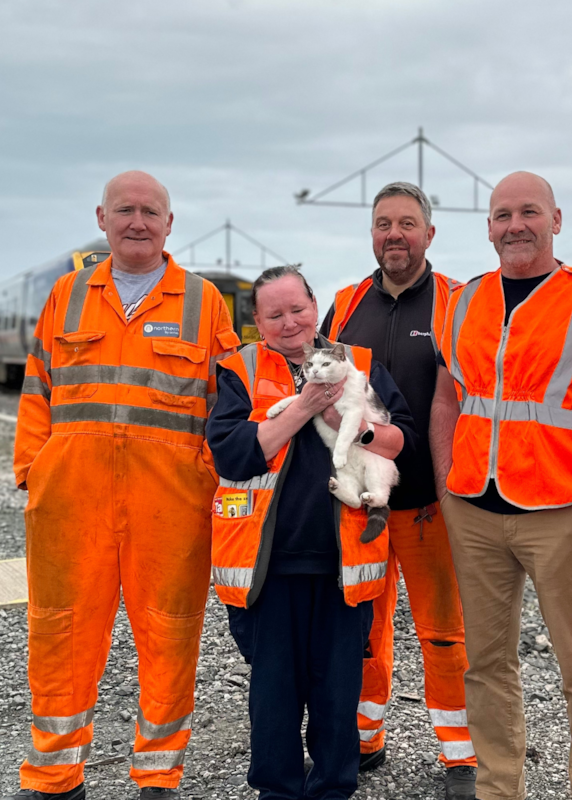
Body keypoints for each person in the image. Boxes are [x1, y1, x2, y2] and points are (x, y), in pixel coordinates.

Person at [9, 171, 240, 800]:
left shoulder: (203, 302)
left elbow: (229, 401)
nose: (137, 222)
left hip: (171, 501)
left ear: (170, 224)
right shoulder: (68, 294)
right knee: (61, 630)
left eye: (150, 212)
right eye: (125, 210)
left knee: (170, 632)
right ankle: (55, 776)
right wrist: (34, 470)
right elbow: (38, 388)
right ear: (102, 218)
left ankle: (158, 775)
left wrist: (207, 481)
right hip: (69, 499)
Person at [430, 171, 572, 800]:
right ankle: (498, 790)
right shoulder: (463, 301)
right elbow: (446, 399)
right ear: (488, 227)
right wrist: (446, 485)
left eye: (528, 213)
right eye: (501, 215)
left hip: (561, 513)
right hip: (473, 510)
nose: (514, 226)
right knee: (486, 666)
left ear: (556, 220)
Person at [206, 266, 416, 800]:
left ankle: (332, 788)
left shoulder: (360, 364)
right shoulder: (240, 368)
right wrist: (304, 407)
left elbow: (404, 441)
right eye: (274, 314)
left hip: (343, 560)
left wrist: (362, 427)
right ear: (257, 322)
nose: (289, 322)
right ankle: (276, 789)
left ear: (314, 306)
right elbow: (231, 453)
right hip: (269, 565)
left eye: (297, 309)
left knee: (337, 691)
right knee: (274, 693)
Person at [320, 182, 477, 800]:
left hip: (432, 503)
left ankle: (461, 757)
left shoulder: (459, 303)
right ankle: (365, 738)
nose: (394, 235)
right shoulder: (344, 304)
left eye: (407, 224)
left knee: (444, 632)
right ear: (372, 233)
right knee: (362, 624)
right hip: (360, 503)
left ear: (430, 234)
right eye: (383, 223)